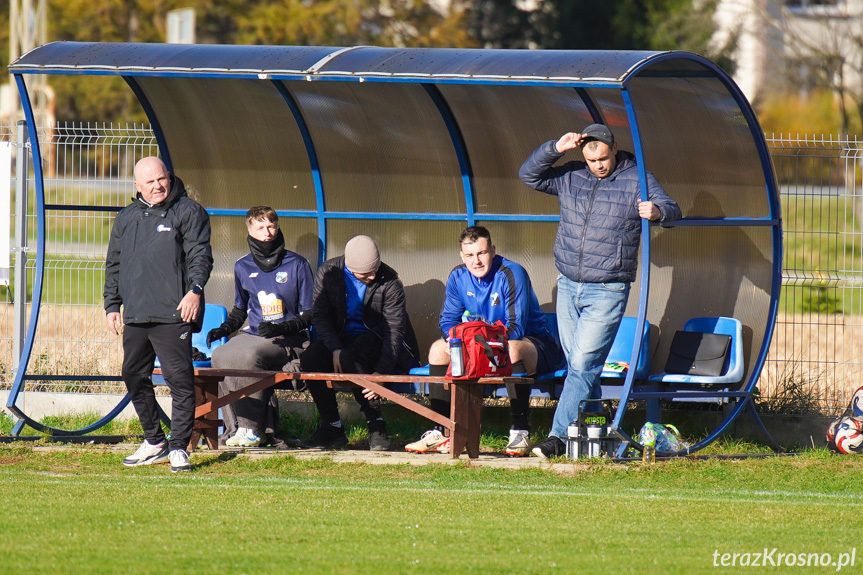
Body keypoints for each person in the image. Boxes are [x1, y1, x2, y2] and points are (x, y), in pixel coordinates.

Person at [519, 123, 682, 459]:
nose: (598, 166)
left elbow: (671, 207)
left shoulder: (636, 177)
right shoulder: (571, 174)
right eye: (592, 161)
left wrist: (659, 211)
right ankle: (599, 429)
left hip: (608, 288)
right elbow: (529, 176)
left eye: (604, 159)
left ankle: (558, 437)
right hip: (567, 284)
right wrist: (555, 148)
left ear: (614, 148)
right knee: (584, 367)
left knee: (581, 364)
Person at [405, 226, 564, 457]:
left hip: (534, 345)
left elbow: (515, 328)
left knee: (512, 349)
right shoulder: (458, 276)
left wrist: (475, 346)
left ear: (492, 250)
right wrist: (457, 340)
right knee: (438, 349)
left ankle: (520, 431)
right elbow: (448, 320)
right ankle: (442, 430)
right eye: (469, 255)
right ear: (462, 256)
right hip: (483, 347)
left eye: (481, 253)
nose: (476, 261)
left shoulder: (512, 272)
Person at [104, 156, 213, 472]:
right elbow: (114, 263)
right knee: (133, 375)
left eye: (161, 178)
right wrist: (112, 305)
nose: (158, 186)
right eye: (149, 182)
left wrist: (194, 290)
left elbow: (200, 256)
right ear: (137, 186)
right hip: (136, 312)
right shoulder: (127, 217)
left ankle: (179, 447)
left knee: (179, 381)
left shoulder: (189, 212)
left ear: (169, 176)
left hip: (174, 311)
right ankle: (154, 440)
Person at [206, 206, 314, 449]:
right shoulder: (242, 266)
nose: (267, 232)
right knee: (221, 355)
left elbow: (310, 314)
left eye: (271, 226)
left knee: (248, 356)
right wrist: (223, 329)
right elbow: (240, 310)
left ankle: (252, 428)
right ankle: (237, 428)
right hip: (254, 334)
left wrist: (283, 328)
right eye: (260, 227)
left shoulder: (297, 264)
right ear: (250, 230)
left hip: (290, 339)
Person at [299, 235, 420, 451]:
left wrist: (380, 373)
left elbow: (394, 331)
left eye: (376, 268)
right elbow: (320, 315)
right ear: (349, 267)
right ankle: (332, 427)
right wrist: (334, 347)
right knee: (310, 359)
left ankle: (376, 424)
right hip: (340, 339)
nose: (373, 276)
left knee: (350, 356)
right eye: (366, 274)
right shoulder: (329, 272)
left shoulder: (390, 281)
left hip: (377, 340)